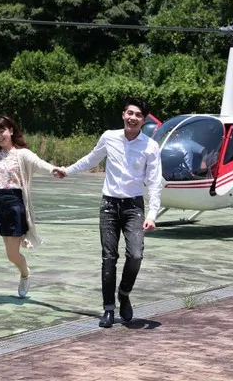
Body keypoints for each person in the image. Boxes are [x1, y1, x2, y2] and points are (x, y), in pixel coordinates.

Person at [57, 97, 162, 328]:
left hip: (134, 207)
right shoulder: (109, 137)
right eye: (130, 113)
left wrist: (152, 214)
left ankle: (124, 293)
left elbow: (155, 182)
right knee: (109, 257)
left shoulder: (150, 146)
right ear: (123, 114)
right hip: (109, 206)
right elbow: (91, 159)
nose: (133, 118)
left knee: (135, 255)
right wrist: (68, 170)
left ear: (144, 120)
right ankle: (108, 309)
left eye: (138, 115)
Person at [0, 116, 64, 309]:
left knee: (12, 255)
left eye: (2, 131)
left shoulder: (22, 154)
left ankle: (25, 273)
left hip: (13, 205)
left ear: (11, 131)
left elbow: (39, 163)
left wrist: (54, 170)